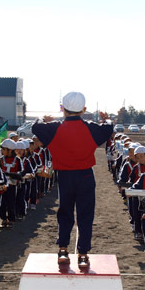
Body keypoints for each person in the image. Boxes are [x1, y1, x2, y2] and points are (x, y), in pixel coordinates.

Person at [32, 91, 113, 268]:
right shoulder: (91, 128)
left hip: (65, 176)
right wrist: (106, 119)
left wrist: (44, 119)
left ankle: (63, 249)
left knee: (65, 213)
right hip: (85, 175)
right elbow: (108, 128)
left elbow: (35, 127)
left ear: (62, 109)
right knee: (85, 215)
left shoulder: (54, 127)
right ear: (84, 110)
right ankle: (83, 254)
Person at [0, 139, 23, 229]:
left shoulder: (17, 160)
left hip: (12, 186)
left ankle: (11, 219)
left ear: (10, 150)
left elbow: (21, 173)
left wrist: (8, 174)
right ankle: (4, 219)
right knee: (2, 203)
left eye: (4, 149)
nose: (2, 151)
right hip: (2, 186)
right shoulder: (1, 160)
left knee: (11, 203)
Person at [128, 145, 145, 240]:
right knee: (136, 213)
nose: (140, 159)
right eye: (138, 157)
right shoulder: (136, 168)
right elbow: (131, 180)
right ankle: (138, 231)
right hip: (137, 194)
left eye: (142, 156)